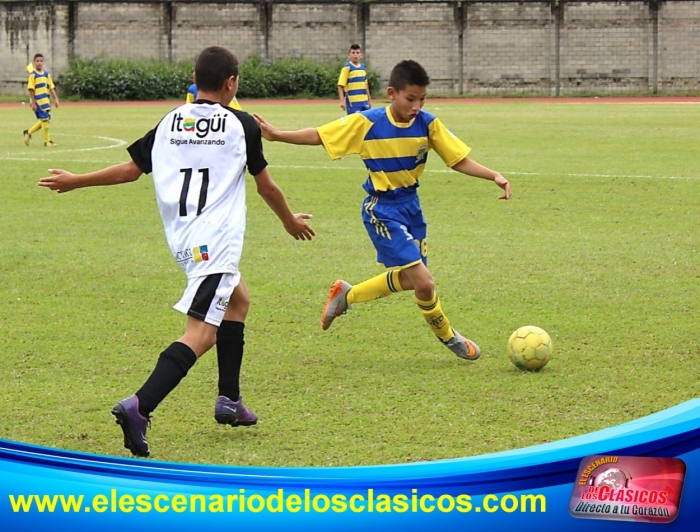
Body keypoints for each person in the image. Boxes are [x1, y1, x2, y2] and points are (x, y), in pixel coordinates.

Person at [38, 46, 315, 457]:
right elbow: (267, 187)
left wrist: (77, 180)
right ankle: (139, 406)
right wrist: (290, 220)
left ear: (193, 76)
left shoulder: (171, 120)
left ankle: (229, 400)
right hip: (214, 243)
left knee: (238, 299)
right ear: (232, 83)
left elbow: (131, 170)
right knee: (200, 333)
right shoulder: (241, 125)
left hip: (184, 239)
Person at [254, 59, 510, 361]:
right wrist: (278, 134)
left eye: (422, 99)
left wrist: (493, 174)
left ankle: (346, 295)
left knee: (413, 281)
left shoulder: (427, 123)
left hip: (411, 207)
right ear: (392, 93)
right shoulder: (368, 122)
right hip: (381, 209)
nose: (416, 106)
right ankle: (449, 336)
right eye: (410, 99)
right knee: (425, 282)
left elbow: (457, 159)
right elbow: (321, 135)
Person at [24, 53, 60, 147]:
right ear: (34, 62)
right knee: (45, 121)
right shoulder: (33, 75)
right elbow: (31, 89)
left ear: (43, 62)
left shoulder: (46, 74)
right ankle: (47, 141)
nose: (39, 63)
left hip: (46, 101)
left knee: (46, 120)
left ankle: (28, 132)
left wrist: (56, 99)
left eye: (41, 61)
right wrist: (33, 102)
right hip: (38, 102)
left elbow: (51, 87)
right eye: (37, 61)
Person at [337, 44, 371, 114]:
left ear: (361, 55)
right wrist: (342, 100)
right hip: (353, 103)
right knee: (354, 123)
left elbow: (365, 85)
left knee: (365, 122)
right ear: (349, 55)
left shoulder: (363, 67)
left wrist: (369, 100)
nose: (355, 55)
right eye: (353, 53)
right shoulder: (347, 68)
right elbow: (340, 85)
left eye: (357, 53)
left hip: (364, 102)